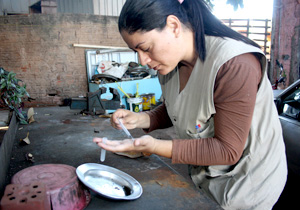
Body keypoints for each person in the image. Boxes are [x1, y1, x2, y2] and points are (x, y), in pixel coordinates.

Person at [93, 0, 287, 209]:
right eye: (136, 51)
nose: (142, 61)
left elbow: (227, 149)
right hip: (206, 178)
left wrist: (154, 146)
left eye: (146, 48)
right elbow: (180, 107)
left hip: (247, 186)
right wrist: (142, 118)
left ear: (174, 26)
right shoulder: (170, 65)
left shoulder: (235, 64)